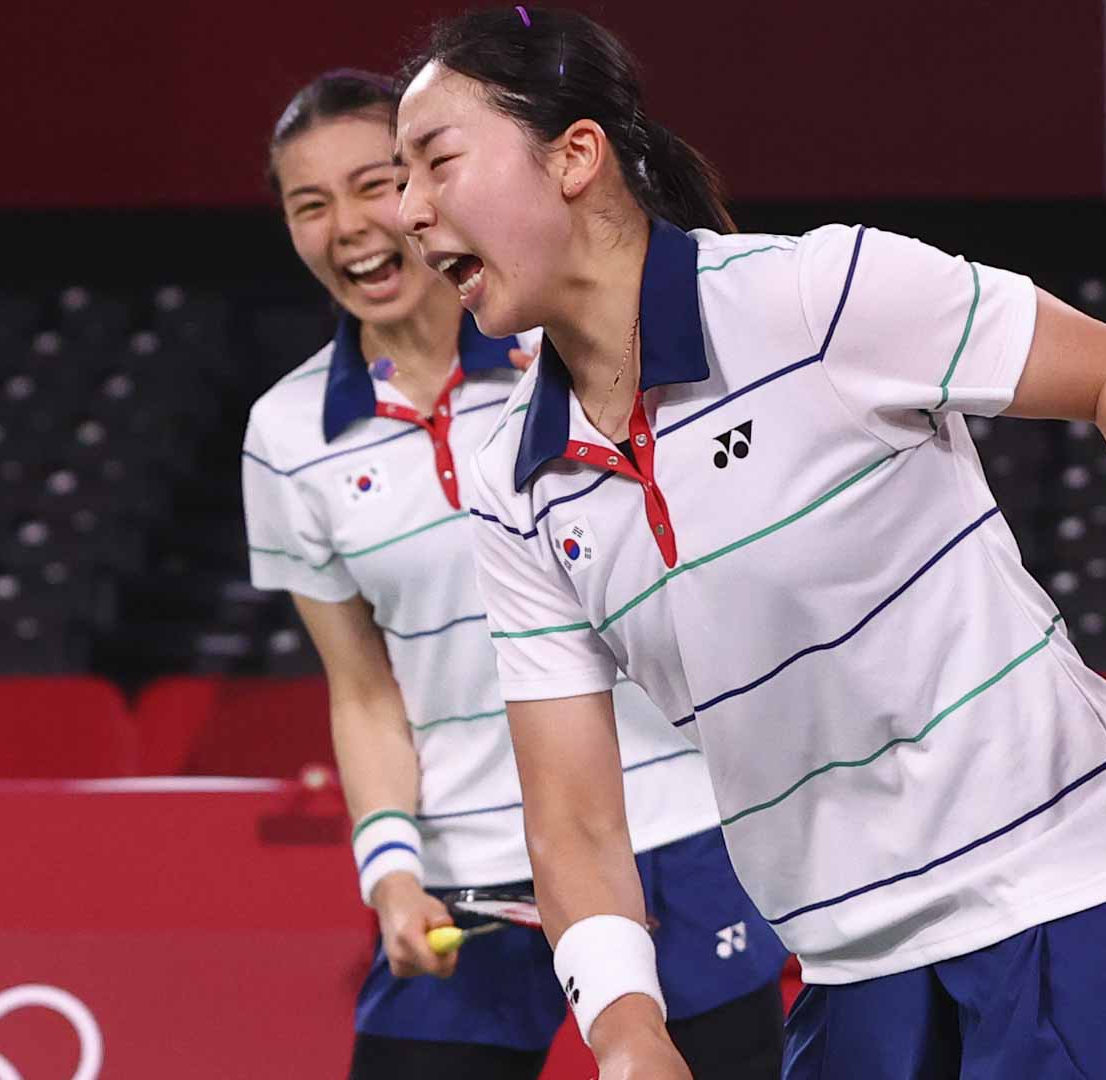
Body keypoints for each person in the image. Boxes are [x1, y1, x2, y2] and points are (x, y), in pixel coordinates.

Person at [390, 9, 1106, 1079]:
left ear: (575, 156)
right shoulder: (519, 485)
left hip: (1075, 892)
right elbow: (576, 820)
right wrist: (626, 1026)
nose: (408, 211)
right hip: (849, 959)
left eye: (435, 163)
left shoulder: (817, 298)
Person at [243, 68, 787, 1079]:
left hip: (667, 834)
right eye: (309, 204)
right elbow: (363, 693)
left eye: (375, 184)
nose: (352, 226)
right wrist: (392, 873)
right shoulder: (284, 437)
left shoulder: (571, 357)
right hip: (467, 875)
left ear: (427, 192)